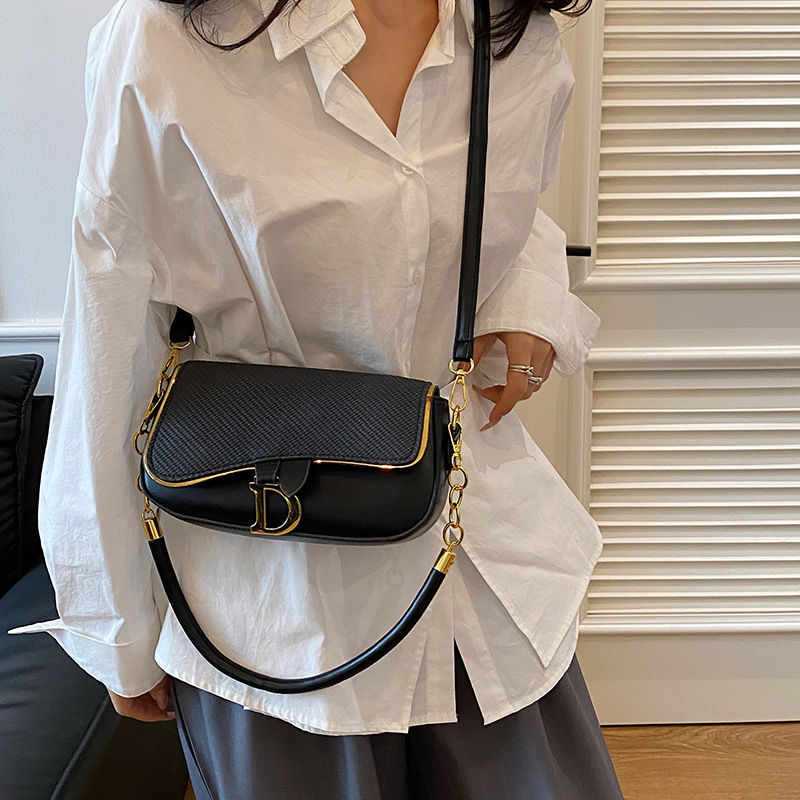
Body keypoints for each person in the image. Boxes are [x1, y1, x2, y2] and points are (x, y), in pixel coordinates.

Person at [8, 0, 626, 797]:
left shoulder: (516, 36)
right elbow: (111, 323)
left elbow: (508, 202)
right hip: (270, 596)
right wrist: (115, 624)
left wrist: (524, 299)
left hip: (478, 554)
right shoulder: (173, 38)